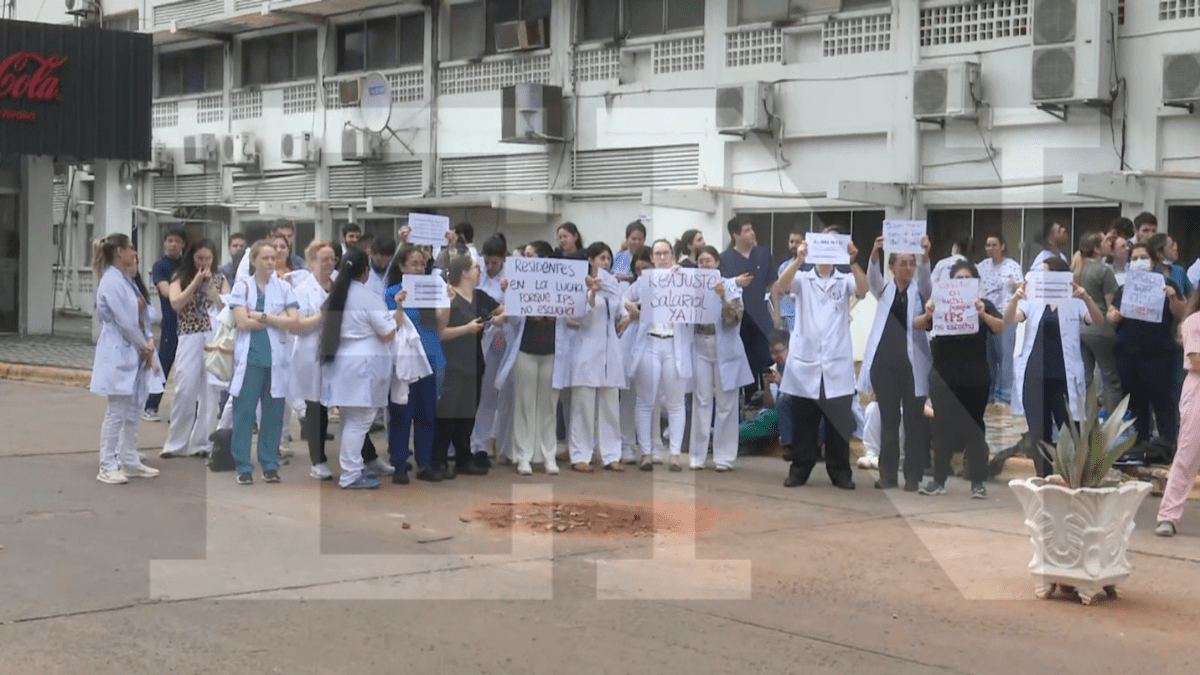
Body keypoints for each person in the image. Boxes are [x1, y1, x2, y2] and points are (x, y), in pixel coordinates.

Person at [778, 235, 866, 489]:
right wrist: (798, 260)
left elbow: (863, 289)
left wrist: (853, 262)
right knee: (804, 420)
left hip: (836, 363)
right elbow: (782, 286)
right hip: (806, 362)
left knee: (838, 422)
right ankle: (800, 469)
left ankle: (840, 472)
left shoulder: (845, 278)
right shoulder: (803, 278)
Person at [1006, 257, 1104, 477]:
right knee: (1039, 435)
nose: (1042, 278)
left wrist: (1085, 296)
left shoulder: (1074, 300)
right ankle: (1044, 480)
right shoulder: (1032, 299)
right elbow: (1011, 318)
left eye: (1046, 273)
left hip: (1064, 378)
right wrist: (1016, 298)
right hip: (1035, 376)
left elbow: (1098, 320)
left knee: (1071, 431)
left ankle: (1072, 480)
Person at [914, 261, 1005, 498]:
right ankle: (938, 481)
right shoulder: (940, 302)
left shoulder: (984, 304)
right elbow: (917, 324)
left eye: (967, 278)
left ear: (975, 282)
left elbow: (1001, 327)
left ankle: (977, 483)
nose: (962, 282)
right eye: (958, 278)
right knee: (942, 428)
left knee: (975, 429)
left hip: (975, 376)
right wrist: (929, 312)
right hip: (944, 374)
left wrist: (982, 313)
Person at [319, 247, 404, 490]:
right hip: (363, 364)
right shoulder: (367, 297)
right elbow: (387, 333)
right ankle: (351, 473)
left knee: (349, 420)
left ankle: (351, 468)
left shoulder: (336, 295)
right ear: (365, 272)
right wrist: (397, 315)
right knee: (359, 422)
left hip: (341, 362)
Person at [860, 235, 933, 491]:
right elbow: (872, 279)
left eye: (911, 263)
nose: (907, 268)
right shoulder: (885, 290)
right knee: (889, 423)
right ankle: (888, 476)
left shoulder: (920, 291)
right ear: (892, 267)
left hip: (912, 369)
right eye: (902, 263)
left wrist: (925, 254)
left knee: (913, 424)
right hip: (885, 367)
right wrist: (874, 254)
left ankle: (912, 477)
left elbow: (926, 280)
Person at [90, 234, 162, 484]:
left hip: (133, 351)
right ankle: (107, 464)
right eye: (131, 248)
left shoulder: (125, 279)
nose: (134, 252)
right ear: (120, 251)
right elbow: (126, 322)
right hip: (120, 350)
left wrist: (146, 344)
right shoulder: (111, 281)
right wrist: (146, 347)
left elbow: (142, 314)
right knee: (117, 411)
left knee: (133, 408)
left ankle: (129, 459)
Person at [228, 241, 301, 486]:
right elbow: (242, 322)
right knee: (244, 413)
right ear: (253, 261)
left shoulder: (283, 288)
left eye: (273, 258)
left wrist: (259, 315)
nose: (271, 262)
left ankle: (269, 464)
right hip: (250, 358)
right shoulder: (243, 287)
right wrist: (275, 319)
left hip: (276, 359)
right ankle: (243, 465)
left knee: (273, 414)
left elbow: (293, 321)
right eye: (265, 258)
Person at [1108, 242, 1188, 466]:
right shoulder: (1125, 288)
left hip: (1159, 353)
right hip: (1129, 354)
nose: (1138, 262)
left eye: (1143, 257)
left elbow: (1181, 313)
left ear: (1153, 260)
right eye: (1134, 258)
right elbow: (1112, 312)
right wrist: (1112, 315)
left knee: (1164, 402)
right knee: (1136, 402)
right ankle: (1139, 444)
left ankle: (1168, 446)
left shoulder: (1167, 283)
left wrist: (1172, 298)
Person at [623, 239, 695, 471]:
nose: (662, 257)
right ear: (652, 258)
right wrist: (632, 308)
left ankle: (674, 454)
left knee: (676, 403)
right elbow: (622, 297)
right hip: (650, 343)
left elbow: (699, 298)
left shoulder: (685, 277)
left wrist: (681, 276)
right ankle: (645, 453)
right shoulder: (645, 280)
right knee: (645, 402)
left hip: (675, 344)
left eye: (665, 253)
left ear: (672, 255)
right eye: (657, 254)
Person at [497, 248, 569, 476]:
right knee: (524, 405)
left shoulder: (561, 288)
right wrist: (510, 293)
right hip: (525, 352)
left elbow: (574, 313)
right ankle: (523, 457)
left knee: (549, 407)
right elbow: (513, 319)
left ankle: (549, 456)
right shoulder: (522, 287)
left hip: (551, 354)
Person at [435, 255, 502, 478]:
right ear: (463, 272)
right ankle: (439, 459)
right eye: (475, 267)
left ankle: (464, 457)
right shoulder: (448, 295)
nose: (479, 271)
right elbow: (439, 333)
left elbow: (500, 310)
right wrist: (467, 328)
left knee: (467, 414)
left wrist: (498, 315)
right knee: (447, 413)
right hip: (452, 361)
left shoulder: (480, 296)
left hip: (474, 361)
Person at [161, 239, 227, 459]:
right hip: (189, 335)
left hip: (213, 336)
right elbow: (176, 303)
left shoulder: (220, 279)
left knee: (210, 392)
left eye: (208, 258)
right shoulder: (179, 278)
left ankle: (202, 443)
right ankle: (176, 443)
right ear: (191, 258)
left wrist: (215, 295)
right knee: (185, 387)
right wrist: (195, 282)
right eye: (200, 258)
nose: (204, 262)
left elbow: (231, 307)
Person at [689, 245, 754, 472]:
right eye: (700, 261)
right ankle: (697, 455)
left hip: (726, 348)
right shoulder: (691, 287)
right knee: (702, 401)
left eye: (708, 261)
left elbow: (734, 318)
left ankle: (724, 457)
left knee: (726, 403)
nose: (704, 265)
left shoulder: (731, 286)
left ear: (716, 263)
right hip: (700, 346)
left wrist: (723, 296)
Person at [385, 246, 444, 482]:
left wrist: (446, 302)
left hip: (429, 357)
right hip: (405, 361)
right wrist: (399, 304)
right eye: (413, 264)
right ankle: (399, 463)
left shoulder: (432, 289)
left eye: (421, 264)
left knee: (426, 413)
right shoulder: (391, 292)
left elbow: (441, 324)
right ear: (402, 267)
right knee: (401, 413)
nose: (418, 268)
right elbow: (390, 325)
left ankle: (425, 462)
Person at [567, 242, 627, 472]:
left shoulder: (613, 288)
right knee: (583, 406)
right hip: (587, 350)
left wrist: (627, 317)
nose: (606, 263)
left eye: (608, 259)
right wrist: (592, 291)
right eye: (601, 258)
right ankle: (581, 454)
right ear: (591, 260)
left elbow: (621, 314)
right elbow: (579, 316)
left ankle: (611, 454)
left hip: (611, 351)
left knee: (610, 405)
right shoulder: (580, 286)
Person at [1156, 291, 1200, 537]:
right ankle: (1168, 516)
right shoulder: (1193, 322)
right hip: (1197, 389)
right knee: (1188, 453)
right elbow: (1196, 361)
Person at [720, 217, 776, 400]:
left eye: (751, 229)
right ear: (735, 235)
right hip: (738, 316)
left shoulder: (763, 254)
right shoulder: (725, 258)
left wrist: (778, 314)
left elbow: (773, 284)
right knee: (744, 356)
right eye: (746, 230)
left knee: (767, 354)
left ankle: (770, 395)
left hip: (761, 312)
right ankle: (749, 395)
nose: (751, 233)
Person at [471, 235, 513, 465]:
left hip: (502, 337)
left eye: (495, 263)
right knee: (483, 393)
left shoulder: (511, 277)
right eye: (487, 262)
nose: (490, 267)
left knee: (499, 393)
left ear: (503, 258)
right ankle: (477, 442)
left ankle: (495, 443)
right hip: (481, 335)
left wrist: (511, 290)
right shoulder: (479, 275)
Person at [1071, 232, 1123, 414]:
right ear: (1096, 248)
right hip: (1100, 329)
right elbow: (1111, 304)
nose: (1110, 243)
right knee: (1111, 379)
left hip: (1079, 328)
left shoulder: (1076, 269)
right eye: (1105, 241)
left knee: (1085, 377)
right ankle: (1112, 425)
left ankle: (1084, 423)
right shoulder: (1104, 270)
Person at [144, 228, 186, 422]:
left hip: (189, 323)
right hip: (171, 322)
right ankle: (150, 405)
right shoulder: (160, 265)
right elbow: (167, 292)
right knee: (164, 363)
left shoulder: (187, 264)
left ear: (183, 244)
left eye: (177, 241)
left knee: (187, 368)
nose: (173, 244)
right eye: (170, 240)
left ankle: (185, 411)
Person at [617, 246, 653, 464]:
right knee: (628, 396)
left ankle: (649, 446)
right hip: (631, 341)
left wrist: (641, 311)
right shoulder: (635, 286)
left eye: (646, 267)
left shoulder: (661, 284)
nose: (642, 272)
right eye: (638, 269)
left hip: (653, 340)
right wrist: (631, 310)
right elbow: (623, 302)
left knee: (648, 399)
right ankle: (627, 444)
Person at [977, 234, 1022, 405]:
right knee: (988, 359)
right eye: (988, 245)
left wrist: (1013, 284)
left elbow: (1022, 289)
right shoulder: (981, 267)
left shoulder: (1012, 266)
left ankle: (1005, 395)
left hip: (1005, 316)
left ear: (1002, 246)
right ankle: (989, 394)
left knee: (1005, 357)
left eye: (994, 245)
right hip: (986, 316)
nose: (990, 248)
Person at [771, 229, 804, 333]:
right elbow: (777, 290)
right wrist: (776, 313)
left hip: (800, 314)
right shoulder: (784, 266)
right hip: (783, 312)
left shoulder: (809, 267)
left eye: (797, 242)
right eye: (791, 242)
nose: (794, 245)